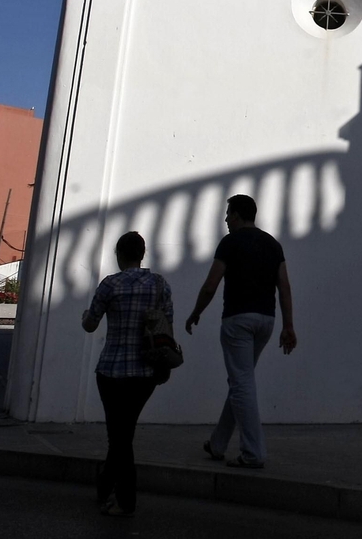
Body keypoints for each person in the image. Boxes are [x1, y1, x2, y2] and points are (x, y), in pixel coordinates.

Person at [185, 193, 296, 468]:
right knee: (240, 381)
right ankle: (218, 443)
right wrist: (288, 325)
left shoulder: (230, 242)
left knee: (242, 383)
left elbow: (211, 285)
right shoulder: (273, 244)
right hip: (266, 321)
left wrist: (196, 312)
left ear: (236, 215)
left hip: (238, 321)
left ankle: (253, 452)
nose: (225, 219)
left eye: (227, 214)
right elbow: (284, 286)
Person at [81, 231, 173, 517]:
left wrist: (85, 315)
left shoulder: (110, 284)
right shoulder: (159, 284)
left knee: (119, 437)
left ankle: (125, 500)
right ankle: (105, 485)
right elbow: (167, 325)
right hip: (146, 371)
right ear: (142, 254)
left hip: (111, 371)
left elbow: (90, 325)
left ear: (119, 255)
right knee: (123, 434)